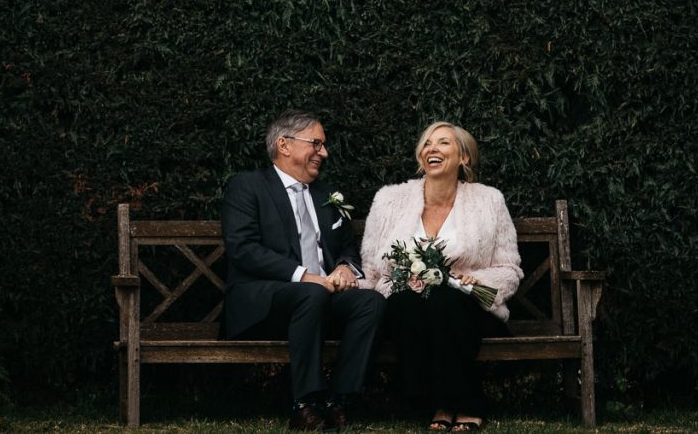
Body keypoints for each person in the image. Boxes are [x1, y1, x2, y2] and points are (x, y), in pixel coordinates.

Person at [221, 109, 386, 431]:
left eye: (323, 145)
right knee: (310, 293)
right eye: (316, 143)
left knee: (371, 302)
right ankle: (304, 401)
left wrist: (344, 267)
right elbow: (243, 249)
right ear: (284, 145)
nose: (324, 152)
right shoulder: (247, 186)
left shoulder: (327, 194)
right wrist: (302, 275)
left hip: (321, 297)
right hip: (266, 300)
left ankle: (340, 399)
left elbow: (347, 247)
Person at [358, 122, 523, 432]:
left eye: (443, 143)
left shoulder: (489, 201)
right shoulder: (389, 200)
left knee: (447, 300)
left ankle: (450, 404)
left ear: (464, 158)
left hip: (470, 307)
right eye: (427, 143)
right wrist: (398, 281)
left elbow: (509, 268)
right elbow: (373, 270)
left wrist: (479, 282)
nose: (431, 149)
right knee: (410, 302)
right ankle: (448, 400)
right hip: (407, 304)